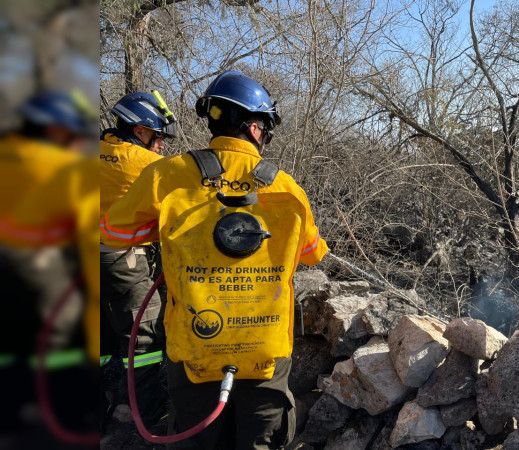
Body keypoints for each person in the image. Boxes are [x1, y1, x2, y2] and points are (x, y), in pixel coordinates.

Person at [102, 71, 328, 449]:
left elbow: (115, 233)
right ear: (256, 129)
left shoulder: (167, 174)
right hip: (265, 348)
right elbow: (312, 253)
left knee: (198, 437)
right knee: (262, 438)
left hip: (195, 344)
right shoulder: (285, 187)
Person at [0, 90, 97, 442]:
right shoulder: (60, 167)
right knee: (64, 329)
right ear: (54, 130)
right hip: (40, 265)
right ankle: (64, 408)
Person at [99, 91, 177, 429]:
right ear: (141, 130)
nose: (160, 145)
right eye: (157, 137)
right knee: (142, 340)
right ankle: (152, 417)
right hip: (123, 263)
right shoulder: (149, 166)